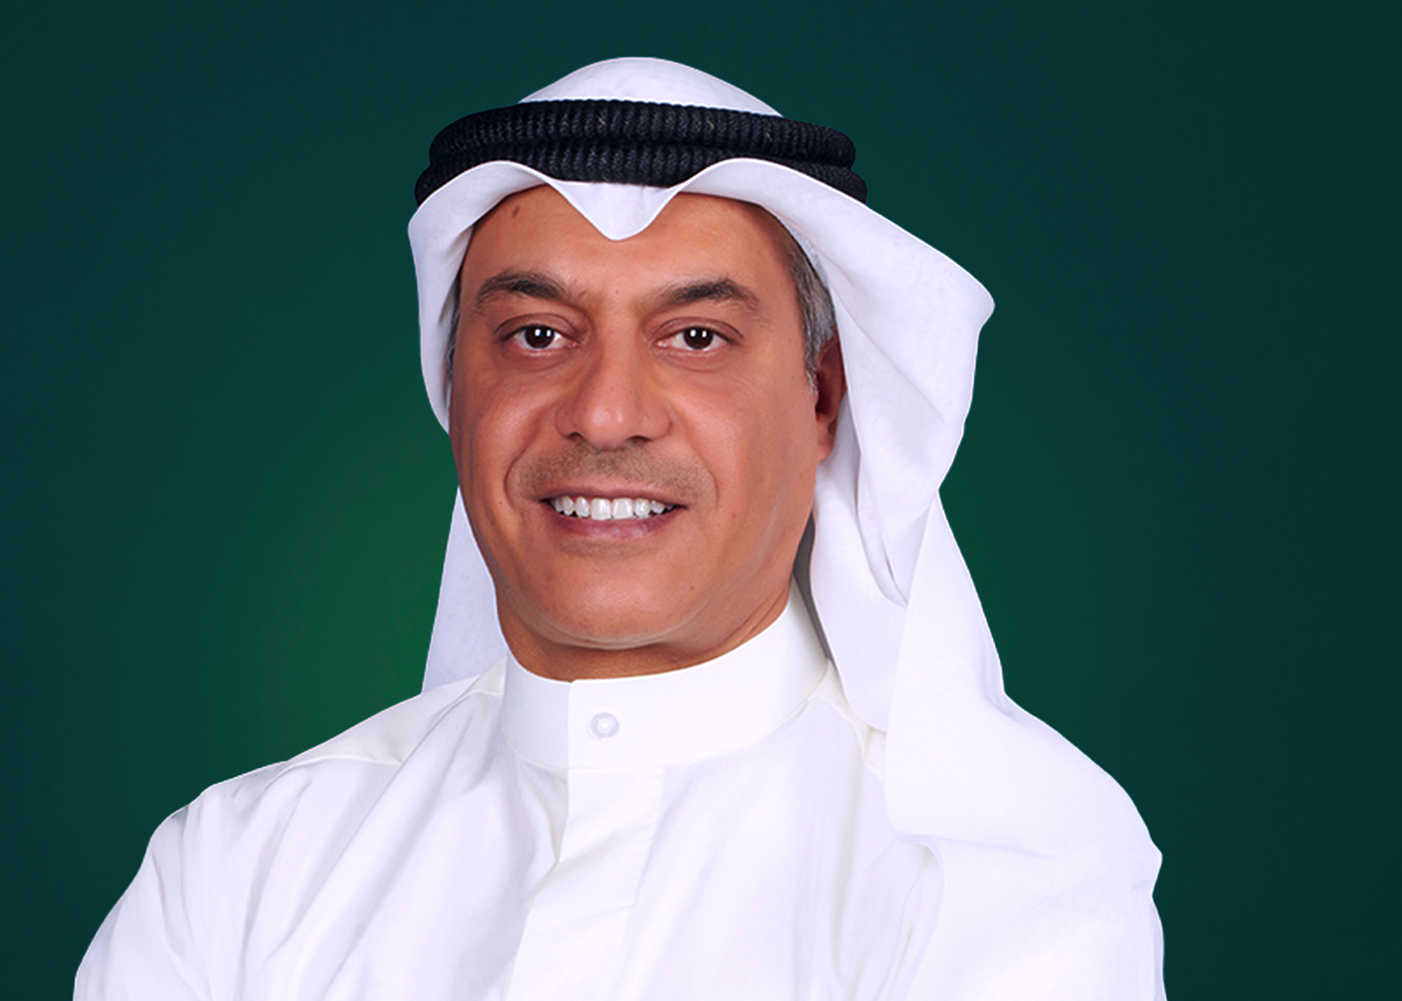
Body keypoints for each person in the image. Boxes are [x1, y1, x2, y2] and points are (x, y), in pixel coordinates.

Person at [77, 58, 1165, 1000]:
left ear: (823, 397)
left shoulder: (1010, 871)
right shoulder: (238, 871)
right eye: (537, 334)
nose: (605, 413)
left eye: (696, 337)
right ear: (455, 391)